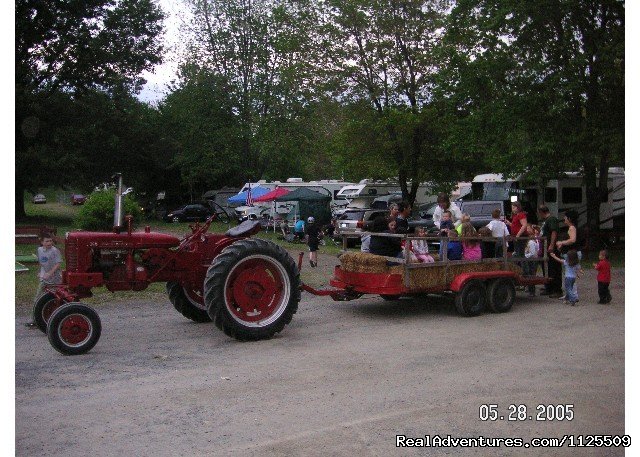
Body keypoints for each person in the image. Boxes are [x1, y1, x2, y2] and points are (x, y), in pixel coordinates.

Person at [29, 233, 63, 326]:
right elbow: (41, 263)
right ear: (42, 242)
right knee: (38, 298)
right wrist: (40, 272)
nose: (49, 243)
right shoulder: (39, 250)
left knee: (55, 299)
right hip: (44, 279)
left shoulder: (55, 251)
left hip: (55, 279)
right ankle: (35, 320)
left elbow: (58, 264)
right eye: (47, 241)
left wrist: (49, 273)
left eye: (50, 241)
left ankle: (57, 319)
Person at [555, 210, 584, 300]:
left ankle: (573, 295)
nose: (564, 218)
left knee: (570, 274)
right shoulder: (572, 227)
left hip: (572, 254)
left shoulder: (572, 228)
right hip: (570, 253)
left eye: (565, 217)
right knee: (569, 274)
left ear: (569, 219)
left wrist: (561, 242)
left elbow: (572, 240)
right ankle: (569, 294)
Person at [538, 205, 562, 298]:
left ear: (542, 212)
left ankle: (557, 290)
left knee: (554, 268)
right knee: (546, 267)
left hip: (550, 247)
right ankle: (549, 287)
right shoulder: (545, 221)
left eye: (539, 213)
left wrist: (552, 244)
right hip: (544, 247)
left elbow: (554, 232)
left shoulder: (552, 219)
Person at [523, 224, 540, 297]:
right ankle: (530, 289)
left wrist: (525, 256)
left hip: (532, 260)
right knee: (529, 273)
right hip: (530, 259)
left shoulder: (531, 242)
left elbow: (533, 253)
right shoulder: (529, 242)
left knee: (531, 274)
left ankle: (532, 291)